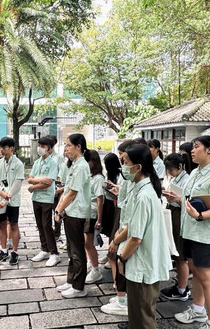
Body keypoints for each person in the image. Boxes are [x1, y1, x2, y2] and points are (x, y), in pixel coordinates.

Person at [169, 136, 210, 329]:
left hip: (208, 236)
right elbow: (192, 199)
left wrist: (200, 215)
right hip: (192, 233)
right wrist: (178, 198)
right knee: (196, 273)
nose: (192, 151)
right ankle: (197, 311)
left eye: (197, 147)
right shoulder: (196, 172)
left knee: (208, 278)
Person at [115, 144, 172, 328]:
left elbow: (136, 237)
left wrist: (121, 258)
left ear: (138, 167)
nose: (123, 167)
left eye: (125, 162)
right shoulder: (141, 189)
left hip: (143, 264)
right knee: (137, 314)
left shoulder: (144, 195)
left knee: (143, 317)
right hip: (143, 261)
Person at [101, 139, 138, 319]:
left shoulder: (141, 186)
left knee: (119, 257)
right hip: (122, 220)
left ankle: (123, 299)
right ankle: (121, 295)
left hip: (126, 226)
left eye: (124, 159)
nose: (121, 162)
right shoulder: (129, 180)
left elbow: (135, 228)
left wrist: (117, 238)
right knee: (115, 256)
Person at [54, 133, 91, 298]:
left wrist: (58, 210)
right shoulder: (74, 165)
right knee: (71, 249)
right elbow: (66, 190)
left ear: (78, 147)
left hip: (77, 212)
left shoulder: (82, 166)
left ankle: (79, 287)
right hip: (71, 211)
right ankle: (71, 281)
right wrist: (60, 208)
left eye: (69, 145)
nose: (66, 148)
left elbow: (72, 194)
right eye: (65, 145)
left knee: (77, 251)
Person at [161, 153, 191, 301]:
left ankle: (182, 289)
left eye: (171, 170)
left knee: (180, 255)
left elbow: (188, 202)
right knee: (176, 253)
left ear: (180, 167)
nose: (169, 173)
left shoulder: (186, 179)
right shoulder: (177, 178)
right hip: (173, 213)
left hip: (179, 214)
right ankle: (181, 285)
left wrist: (177, 198)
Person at [0, 137, 25, 265]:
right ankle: (4, 250)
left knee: (13, 224)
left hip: (12, 200)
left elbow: (17, 184)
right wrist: (1, 192)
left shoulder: (18, 164)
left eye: (4, 147)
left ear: (12, 148)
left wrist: (7, 198)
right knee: (1, 224)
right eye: (1, 147)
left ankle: (15, 252)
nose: (2, 149)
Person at [28, 136, 60, 267]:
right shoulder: (37, 162)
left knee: (47, 225)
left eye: (43, 146)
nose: (40, 148)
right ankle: (44, 249)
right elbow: (30, 178)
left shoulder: (53, 163)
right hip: (36, 198)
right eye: (39, 145)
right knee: (40, 225)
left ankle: (54, 253)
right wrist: (39, 180)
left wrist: (33, 186)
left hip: (47, 198)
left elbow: (49, 183)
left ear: (50, 148)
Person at [85, 150, 104, 284]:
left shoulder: (98, 178)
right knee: (86, 243)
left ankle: (96, 270)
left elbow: (99, 200)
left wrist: (99, 219)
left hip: (91, 213)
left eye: (88, 161)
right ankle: (91, 262)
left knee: (89, 243)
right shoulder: (89, 176)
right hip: (84, 212)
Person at [48, 135, 65, 240]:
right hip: (46, 187)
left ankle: (57, 233)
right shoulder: (45, 157)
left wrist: (57, 189)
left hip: (55, 187)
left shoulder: (58, 158)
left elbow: (60, 174)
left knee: (56, 209)